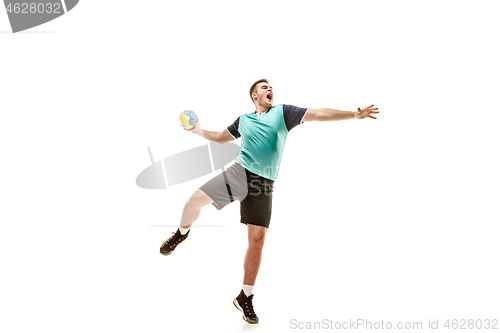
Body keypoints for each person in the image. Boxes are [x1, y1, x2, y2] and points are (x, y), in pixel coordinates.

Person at [159, 78, 379, 324]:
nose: (269, 90)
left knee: (257, 241)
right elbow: (222, 137)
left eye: (270, 87)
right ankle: (181, 233)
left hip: (263, 184)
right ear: (254, 95)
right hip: (240, 173)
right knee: (194, 200)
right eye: (264, 87)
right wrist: (198, 130)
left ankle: (245, 295)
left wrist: (353, 115)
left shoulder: (284, 113)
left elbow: (318, 113)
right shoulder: (244, 119)